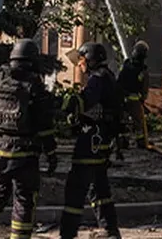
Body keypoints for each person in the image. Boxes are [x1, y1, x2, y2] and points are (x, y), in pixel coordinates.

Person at [0, 38, 57, 239]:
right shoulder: (34, 86)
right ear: (33, 60)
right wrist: (51, 154)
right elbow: (45, 126)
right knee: (24, 199)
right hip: (24, 154)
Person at [59, 42, 122, 239]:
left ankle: (67, 234)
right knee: (100, 189)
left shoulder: (97, 79)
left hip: (90, 143)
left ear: (91, 60)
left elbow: (85, 102)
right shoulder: (108, 76)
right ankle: (110, 231)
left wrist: (65, 103)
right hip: (102, 142)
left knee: (76, 189)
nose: (80, 65)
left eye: (82, 60)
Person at [117, 40, 150, 148]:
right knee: (138, 121)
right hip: (134, 100)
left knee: (123, 120)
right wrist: (143, 98)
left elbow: (119, 79)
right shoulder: (143, 70)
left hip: (121, 98)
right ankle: (141, 141)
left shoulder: (125, 64)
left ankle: (123, 141)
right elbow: (144, 87)